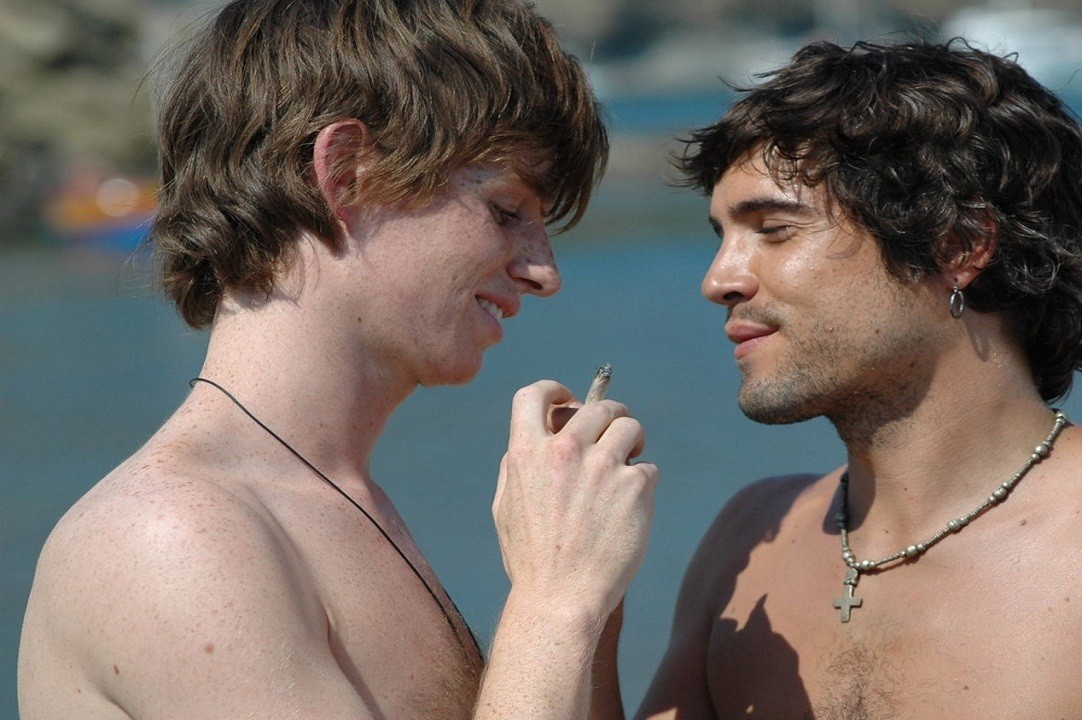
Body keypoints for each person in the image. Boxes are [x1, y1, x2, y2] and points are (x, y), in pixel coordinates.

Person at [17, 1, 658, 718]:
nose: (545, 272)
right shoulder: (173, 535)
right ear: (346, 174)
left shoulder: (332, 502)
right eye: (506, 211)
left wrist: (591, 603)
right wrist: (555, 599)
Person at [633, 40, 1082, 719]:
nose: (718, 280)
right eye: (721, 237)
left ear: (958, 247)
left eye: (773, 229)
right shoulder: (747, 540)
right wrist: (578, 598)